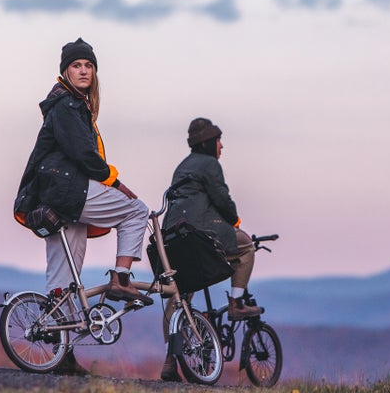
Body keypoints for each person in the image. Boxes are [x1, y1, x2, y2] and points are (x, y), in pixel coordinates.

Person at [14, 38, 152, 376]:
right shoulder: (67, 106)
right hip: (68, 191)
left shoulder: (67, 105)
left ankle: (63, 355)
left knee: (64, 277)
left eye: (88, 66)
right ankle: (121, 278)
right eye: (77, 65)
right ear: (65, 71)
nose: (83, 70)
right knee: (137, 210)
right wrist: (114, 180)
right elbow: (83, 155)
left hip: (54, 198)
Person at [159, 117, 263, 382]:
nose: (222, 146)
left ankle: (171, 360)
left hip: (172, 235)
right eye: (218, 140)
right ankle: (236, 303)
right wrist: (233, 220)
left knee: (179, 298)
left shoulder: (182, 166)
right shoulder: (210, 164)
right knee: (246, 246)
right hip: (200, 234)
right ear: (208, 142)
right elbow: (221, 199)